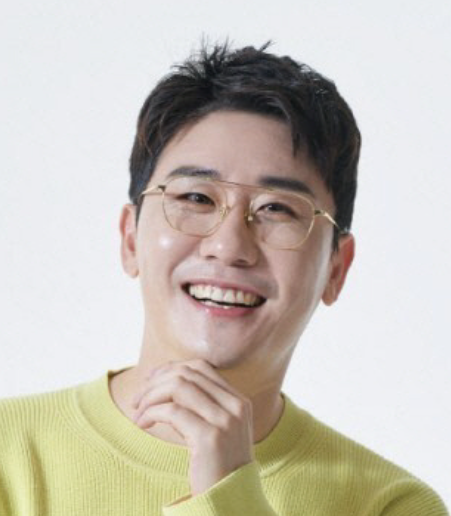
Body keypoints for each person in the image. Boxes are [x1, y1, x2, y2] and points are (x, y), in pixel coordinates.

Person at [0, 41, 448, 516]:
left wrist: (230, 494)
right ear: (130, 238)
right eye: (196, 198)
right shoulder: (9, 453)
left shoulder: (391, 505)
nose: (230, 246)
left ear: (336, 269)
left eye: (277, 209)